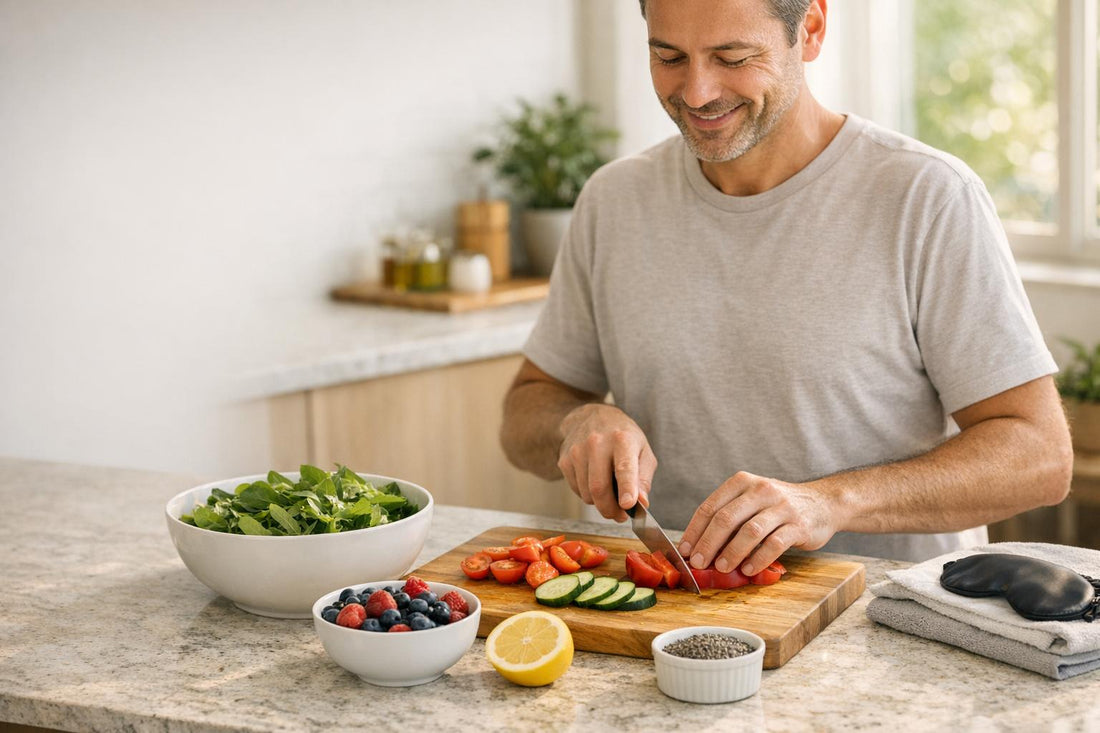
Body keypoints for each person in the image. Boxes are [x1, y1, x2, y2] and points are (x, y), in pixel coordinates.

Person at [499, 0, 1073, 577]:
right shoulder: (614, 200)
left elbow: (1040, 456)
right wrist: (574, 423)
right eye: (668, 56)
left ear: (812, 29)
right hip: (671, 608)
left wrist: (831, 500)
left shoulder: (926, 197)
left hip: (887, 621)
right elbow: (525, 415)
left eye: (734, 57)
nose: (697, 92)